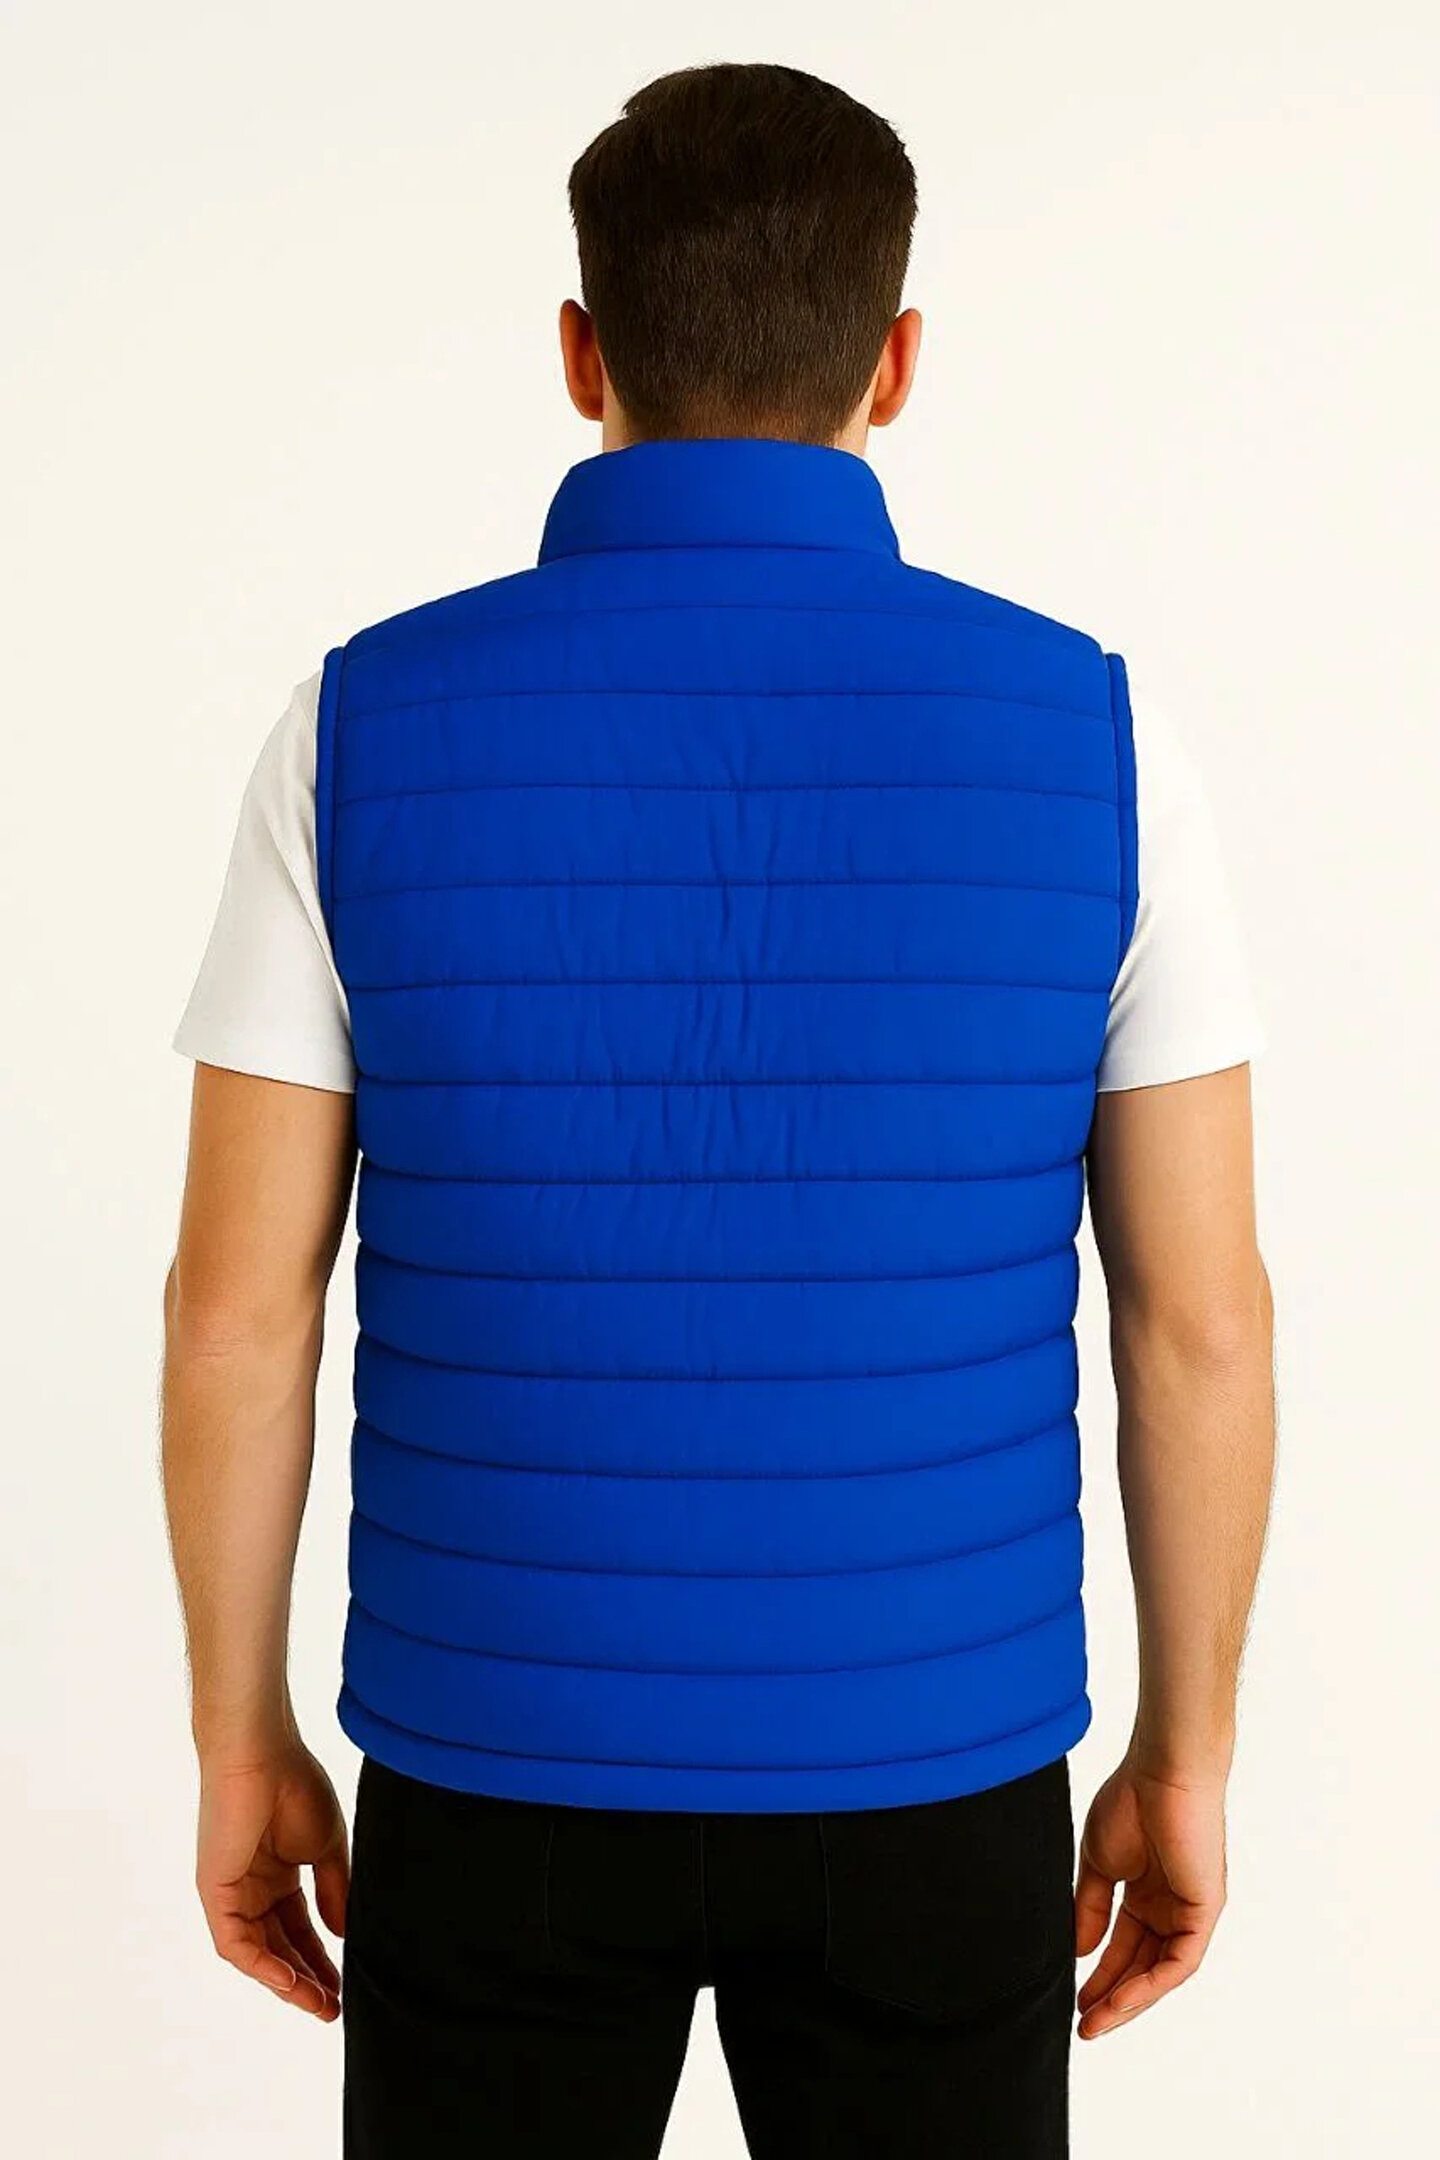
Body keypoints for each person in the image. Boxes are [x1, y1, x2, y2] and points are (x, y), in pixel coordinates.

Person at [162, 61, 1275, 2159]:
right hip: (934, 1763)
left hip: (493, 1756)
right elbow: (1198, 1321)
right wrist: (1186, 1753)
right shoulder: (1103, 741)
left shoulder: (355, 726)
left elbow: (236, 1308)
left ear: (582, 353)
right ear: (897, 362)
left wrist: (240, 1739)